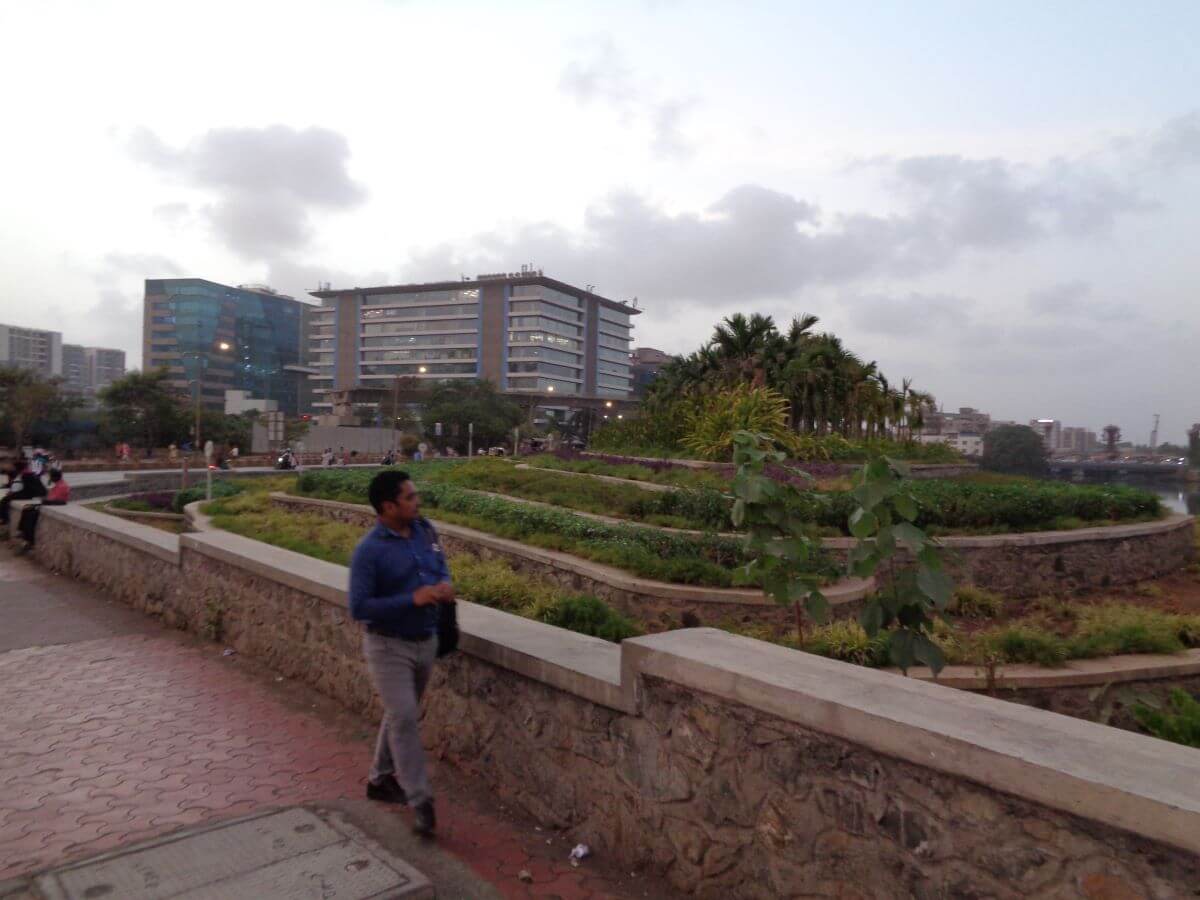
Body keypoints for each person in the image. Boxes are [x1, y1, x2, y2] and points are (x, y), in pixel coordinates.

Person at [349, 470, 455, 837]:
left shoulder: (426, 531)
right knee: (405, 717)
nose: (417, 501)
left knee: (400, 714)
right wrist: (412, 599)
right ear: (388, 506)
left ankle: (379, 780)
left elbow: (440, 565)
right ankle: (420, 799)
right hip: (387, 644)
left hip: (425, 639)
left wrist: (444, 586)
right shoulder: (369, 551)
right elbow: (359, 606)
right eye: (409, 497)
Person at [16, 469, 67, 552]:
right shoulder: (58, 484)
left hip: (52, 507)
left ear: (55, 477)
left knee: (31, 515)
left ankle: (29, 540)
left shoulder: (62, 486)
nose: (50, 478)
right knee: (26, 508)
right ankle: (21, 531)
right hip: (48, 504)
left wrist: (45, 501)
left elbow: (60, 501)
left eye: (51, 477)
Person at [1, 458, 47, 529]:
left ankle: (5, 518)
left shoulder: (26, 475)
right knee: (6, 498)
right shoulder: (28, 473)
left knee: (5, 499)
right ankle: (4, 517)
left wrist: (13, 494)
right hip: (32, 493)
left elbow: (27, 490)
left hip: (32, 494)